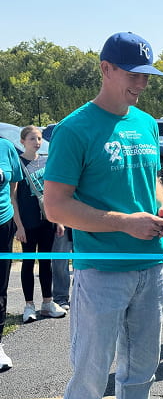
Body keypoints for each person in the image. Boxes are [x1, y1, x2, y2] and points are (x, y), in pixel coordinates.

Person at [43, 32, 163, 399]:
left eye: (146, 74)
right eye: (133, 74)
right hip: (101, 269)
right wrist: (124, 222)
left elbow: (153, 183)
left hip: (152, 267)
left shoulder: (148, 123)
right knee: (90, 372)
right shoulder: (73, 129)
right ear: (105, 69)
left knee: (142, 369)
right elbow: (55, 206)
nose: (142, 83)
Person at [11, 125, 67, 323]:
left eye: (40, 138)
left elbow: (54, 193)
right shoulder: (18, 163)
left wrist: (58, 221)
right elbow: (13, 198)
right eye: (33, 139)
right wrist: (19, 225)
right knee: (28, 262)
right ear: (22, 142)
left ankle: (47, 302)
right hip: (27, 222)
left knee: (46, 262)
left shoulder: (46, 161)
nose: (37, 142)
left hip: (47, 221)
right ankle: (29, 305)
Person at [0, 138, 23, 371]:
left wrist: (17, 224)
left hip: (2, 225)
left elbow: (12, 190)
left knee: (0, 287)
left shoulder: (5, 147)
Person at [51, 226, 73, 310]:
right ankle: (60, 298)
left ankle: (80, 296)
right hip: (63, 222)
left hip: (81, 222)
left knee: (82, 264)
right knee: (60, 264)